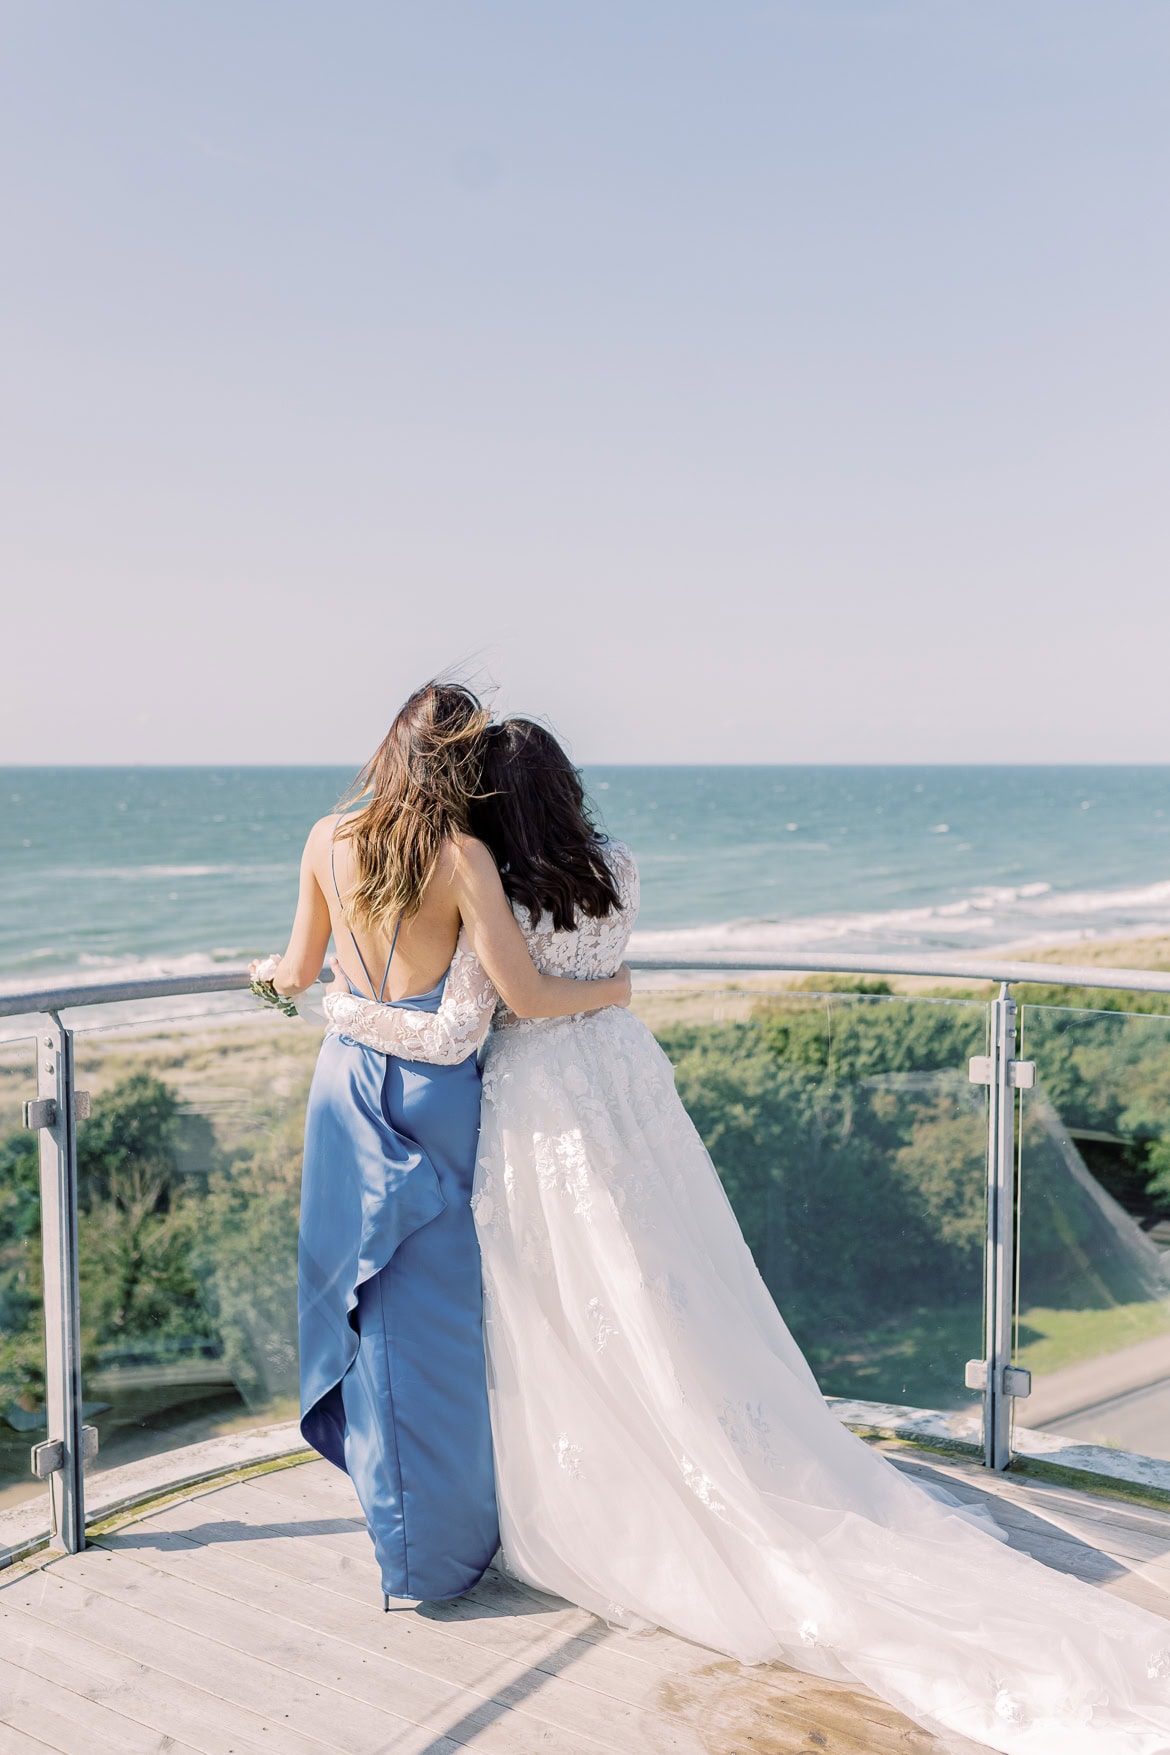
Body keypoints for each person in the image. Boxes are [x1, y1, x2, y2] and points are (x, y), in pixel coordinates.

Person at [324, 714, 1170, 1755]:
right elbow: (595, 973)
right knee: (666, 1278)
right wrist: (614, 990)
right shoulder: (616, 865)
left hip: (540, 1102)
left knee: (559, 1301)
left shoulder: (490, 879)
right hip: (623, 1078)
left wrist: (344, 1005)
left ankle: (615, 1492)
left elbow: (505, 1005)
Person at [249, 685, 628, 1608]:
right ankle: (444, 1549)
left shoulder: (325, 838)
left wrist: (266, 980)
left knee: (361, 1304)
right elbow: (523, 996)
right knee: (439, 1323)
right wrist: (615, 990)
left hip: (345, 1084)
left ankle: (403, 1537)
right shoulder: (463, 858)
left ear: (389, 749)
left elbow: (294, 973)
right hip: (434, 1095)